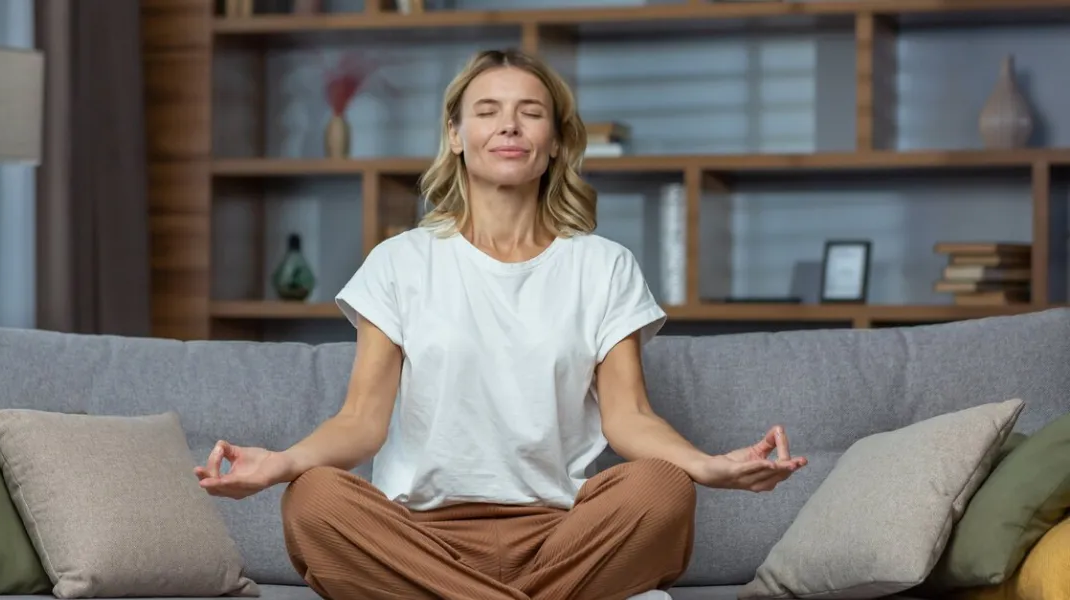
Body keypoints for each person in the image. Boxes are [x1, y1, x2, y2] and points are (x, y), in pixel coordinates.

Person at [194, 48, 808, 600]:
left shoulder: (603, 266)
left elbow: (630, 419)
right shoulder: (400, 261)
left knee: (661, 490)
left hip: (563, 537)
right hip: (417, 537)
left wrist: (708, 466)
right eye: (487, 111)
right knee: (315, 499)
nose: (509, 125)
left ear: (558, 141)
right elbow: (360, 422)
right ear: (456, 136)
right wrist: (281, 463)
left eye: (530, 112)